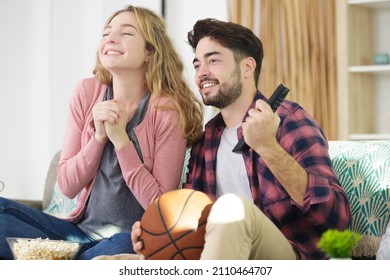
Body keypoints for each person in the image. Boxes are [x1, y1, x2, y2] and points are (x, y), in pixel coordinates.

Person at [129, 18, 352, 260]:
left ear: (247, 67)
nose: (202, 72)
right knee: (112, 262)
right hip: (227, 258)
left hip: (295, 258)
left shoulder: (288, 120)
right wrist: (157, 234)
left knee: (232, 208)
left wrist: (267, 146)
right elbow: (189, 215)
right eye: (197, 65)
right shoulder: (206, 142)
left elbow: (336, 219)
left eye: (213, 60)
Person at [0, 5, 203, 260]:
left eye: (126, 33)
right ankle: (78, 262)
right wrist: (98, 137)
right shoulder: (86, 93)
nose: (111, 39)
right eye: (106, 33)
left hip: (128, 239)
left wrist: (121, 141)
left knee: (122, 248)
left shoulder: (166, 110)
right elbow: (67, 184)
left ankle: (58, 262)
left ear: (150, 51)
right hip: (74, 233)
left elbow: (161, 207)